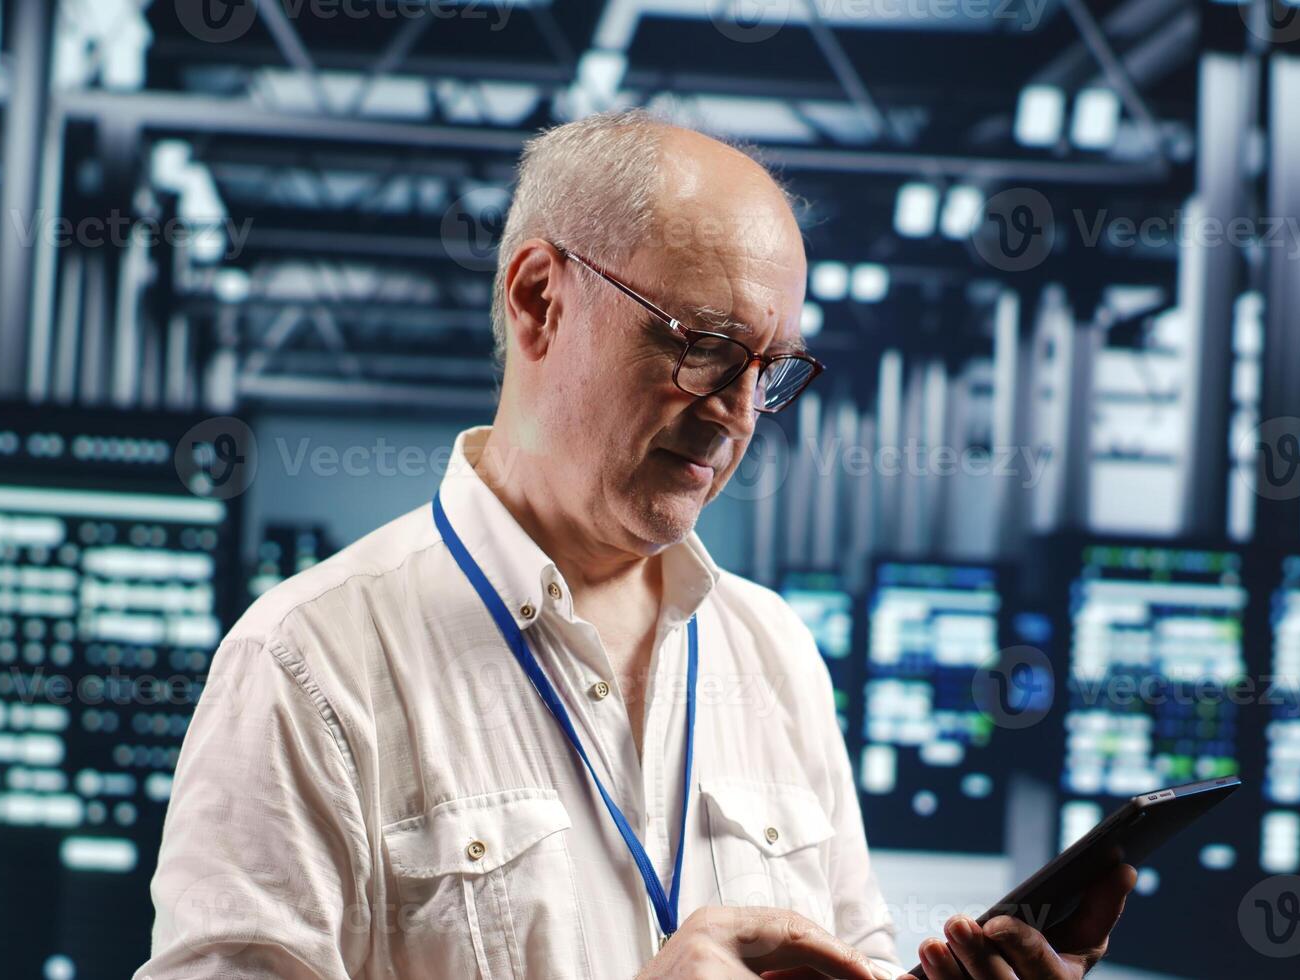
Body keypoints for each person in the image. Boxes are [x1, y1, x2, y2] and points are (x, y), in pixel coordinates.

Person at [139, 107, 1134, 980]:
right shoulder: (311, 665)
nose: (736, 413)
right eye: (703, 344)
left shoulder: (772, 654)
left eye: (769, 368)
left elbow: (856, 954)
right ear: (540, 297)